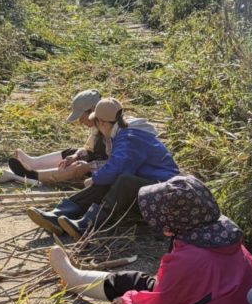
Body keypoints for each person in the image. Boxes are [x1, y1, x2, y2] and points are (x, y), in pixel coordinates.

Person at [49, 175, 252, 304]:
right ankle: (74, 278)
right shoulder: (223, 240)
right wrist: (133, 299)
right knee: (136, 280)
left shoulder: (192, 259)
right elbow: (178, 295)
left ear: (175, 221)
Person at [26, 97, 178, 238]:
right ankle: (59, 214)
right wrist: (95, 174)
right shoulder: (125, 131)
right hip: (151, 191)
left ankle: (88, 224)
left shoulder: (130, 137)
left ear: (103, 123)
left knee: (123, 181)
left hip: (162, 198)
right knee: (112, 179)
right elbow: (116, 165)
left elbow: (117, 169)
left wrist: (94, 178)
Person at [0, 88, 159, 186]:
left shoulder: (118, 132)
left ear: (93, 112)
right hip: (111, 165)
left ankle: (31, 175)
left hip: (118, 171)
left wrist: (88, 166)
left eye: (82, 117)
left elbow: (117, 163)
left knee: (77, 168)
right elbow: (89, 149)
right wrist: (76, 156)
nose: (81, 121)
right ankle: (34, 164)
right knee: (73, 153)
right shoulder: (104, 124)